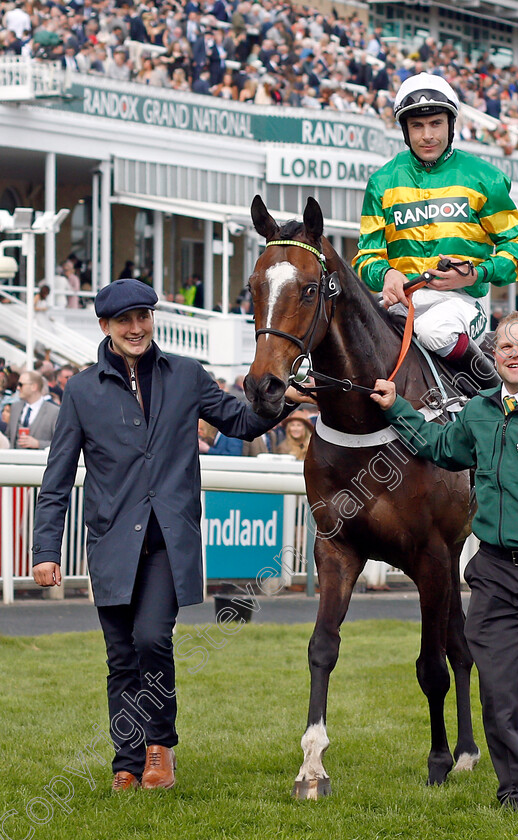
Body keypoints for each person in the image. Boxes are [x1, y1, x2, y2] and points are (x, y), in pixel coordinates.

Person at [31, 279, 305, 792]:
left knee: (152, 639)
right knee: (120, 657)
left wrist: (284, 396)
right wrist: (46, 548)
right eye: (124, 321)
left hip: (167, 543)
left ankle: (159, 746)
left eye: (143, 317)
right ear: (105, 327)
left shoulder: (187, 374)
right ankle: (126, 760)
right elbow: (57, 476)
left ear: (152, 319)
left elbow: (241, 423)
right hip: (111, 543)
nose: (136, 328)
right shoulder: (82, 390)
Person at [371, 312, 518, 810]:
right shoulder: (479, 412)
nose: (514, 353)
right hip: (495, 573)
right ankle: (514, 790)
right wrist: (398, 409)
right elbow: (441, 448)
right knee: (499, 693)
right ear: (494, 357)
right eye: (504, 347)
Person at [353, 73, 518, 392]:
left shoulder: (485, 179)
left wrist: (476, 274)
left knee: (435, 330)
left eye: (435, 124)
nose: (427, 135)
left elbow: (517, 250)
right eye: (417, 126)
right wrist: (386, 274)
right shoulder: (381, 182)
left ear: (451, 124)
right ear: (405, 131)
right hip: (398, 303)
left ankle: (494, 399)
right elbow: (366, 257)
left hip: (461, 304)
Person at [7, 371, 60, 449]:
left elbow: (60, 443)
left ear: (34, 387)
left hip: (39, 460)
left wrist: (38, 444)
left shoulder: (54, 411)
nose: (18, 388)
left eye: (21, 385)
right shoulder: (15, 407)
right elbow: (9, 436)